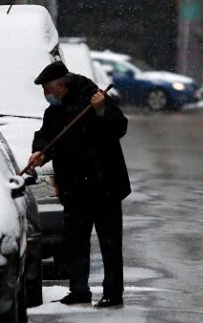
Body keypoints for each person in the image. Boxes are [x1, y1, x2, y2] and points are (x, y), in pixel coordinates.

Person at [26, 60, 130, 309]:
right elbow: (47, 137)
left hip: (104, 187)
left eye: (48, 90)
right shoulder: (55, 112)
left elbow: (119, 126)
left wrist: (102, 111)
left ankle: (113, 292)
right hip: (75, 189)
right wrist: (39, 152)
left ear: (61, 85)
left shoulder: (95, 99)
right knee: (76, 242)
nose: (46, 96)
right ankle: (79, 289)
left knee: (109, 243)